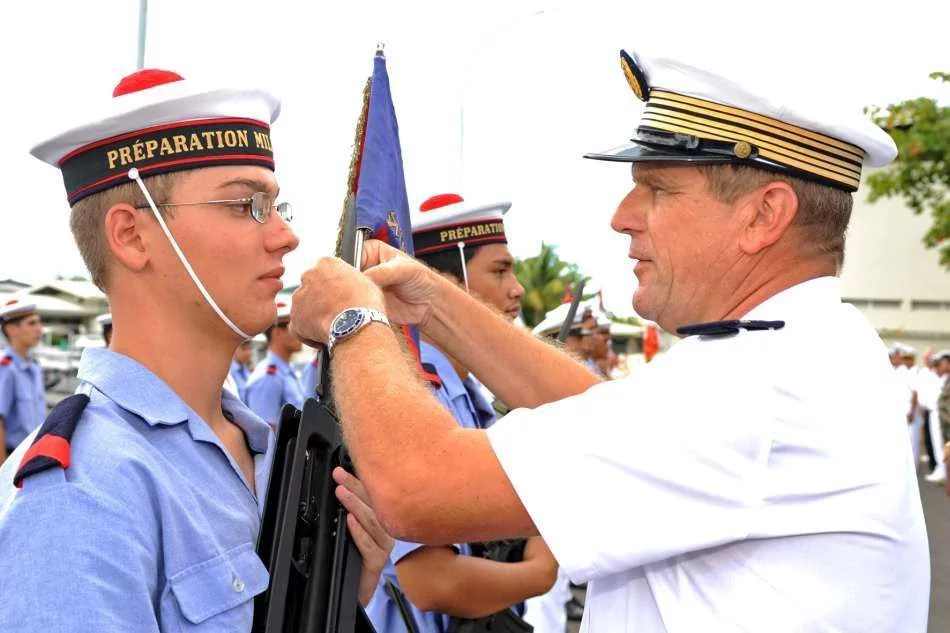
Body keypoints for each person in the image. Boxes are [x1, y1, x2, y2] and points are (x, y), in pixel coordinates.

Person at [291, 45, 930, 631]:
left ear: (764, 215)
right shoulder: (806, 349)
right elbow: (596, 411)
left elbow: (418, 489)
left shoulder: (758, 388)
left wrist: (355, 319)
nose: (623, 218)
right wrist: (434, 304)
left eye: (657, 189)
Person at [0, 68, 391, 632]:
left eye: (278, 207)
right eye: (245, 205)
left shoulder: (269, 451)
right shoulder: (80, 495)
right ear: (132, 236)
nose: (284, 236)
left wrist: (334, 605)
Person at [366, 194, 555, 633]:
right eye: (499, 270)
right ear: (447, 285)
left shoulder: (466, 395)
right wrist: (540, 572)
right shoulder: (412, 393)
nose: (518, 289)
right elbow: (434, 582)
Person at [244, 300, 305, 428]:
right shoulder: (268, 376)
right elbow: (265, 432)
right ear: (277, 333)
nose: (299, 332)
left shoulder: (284, 371)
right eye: (292, 326)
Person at [0, 300, 46, 465]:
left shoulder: (34, 368)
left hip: (33, 456)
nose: (39, 329)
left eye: (39, 322)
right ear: (11, 329)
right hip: (13, 459)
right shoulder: (6, 368)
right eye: (32, 323)